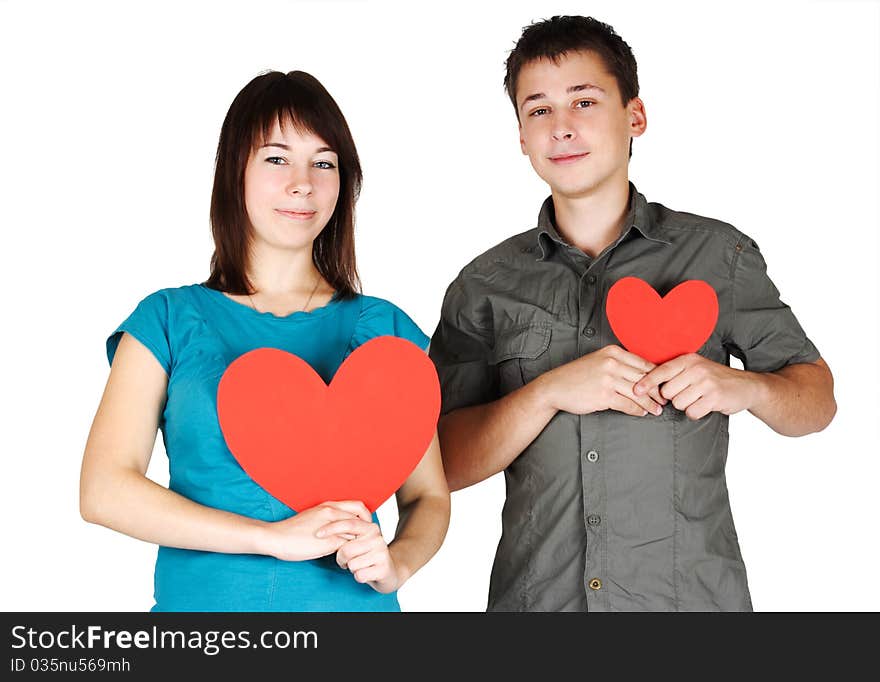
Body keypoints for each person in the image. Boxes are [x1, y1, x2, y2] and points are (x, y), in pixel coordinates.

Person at [428, 16, 836, 612]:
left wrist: (743, 387)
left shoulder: (719, 255)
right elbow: (442, 461)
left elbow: (817, 402)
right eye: (537, 109)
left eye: (584, 101)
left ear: (634, 116)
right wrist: (546, 393)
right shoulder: (483, 286)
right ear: (520, 134)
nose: (561, 127)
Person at [80, 70, 450, 612]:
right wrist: (270, 539)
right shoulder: (167, 318)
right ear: (236, 173)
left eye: (324, 163)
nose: (303, 182)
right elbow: (103, 490)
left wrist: (399, 563)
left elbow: (428, 496)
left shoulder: (385, 329)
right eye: (277, 158)